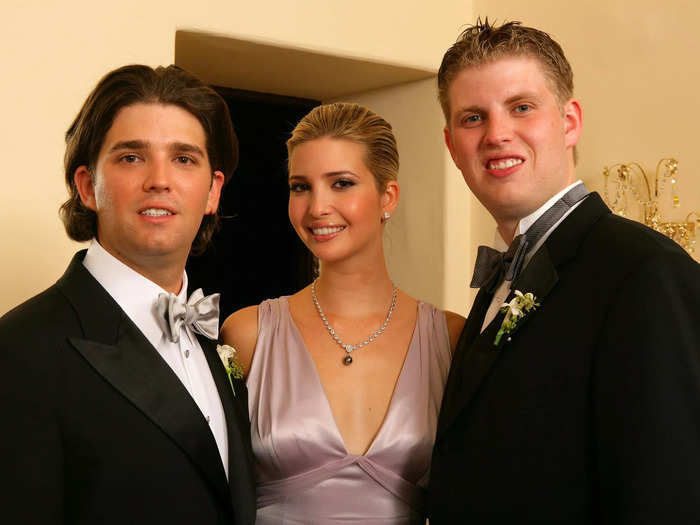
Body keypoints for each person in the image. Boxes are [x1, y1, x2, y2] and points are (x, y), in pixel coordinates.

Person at [428, 18, 700, 523]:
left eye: (522, 108)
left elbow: (669, 492)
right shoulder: (495, 283)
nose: (497, 134)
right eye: (472, 118)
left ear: (570, 121)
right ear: (451, 146)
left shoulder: (644, 272)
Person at [0, 65, 255, 524]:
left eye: (184, 159)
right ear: (86, 187)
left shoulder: (217, 343)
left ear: (213, 191)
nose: (160, 179)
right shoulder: (19, 349)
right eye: (131, 157)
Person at [221, 102, 465, 524]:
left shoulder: (449, 337)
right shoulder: (249, 333)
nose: (317, 207)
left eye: (342, 183)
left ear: (388, 196)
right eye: (301, 186)